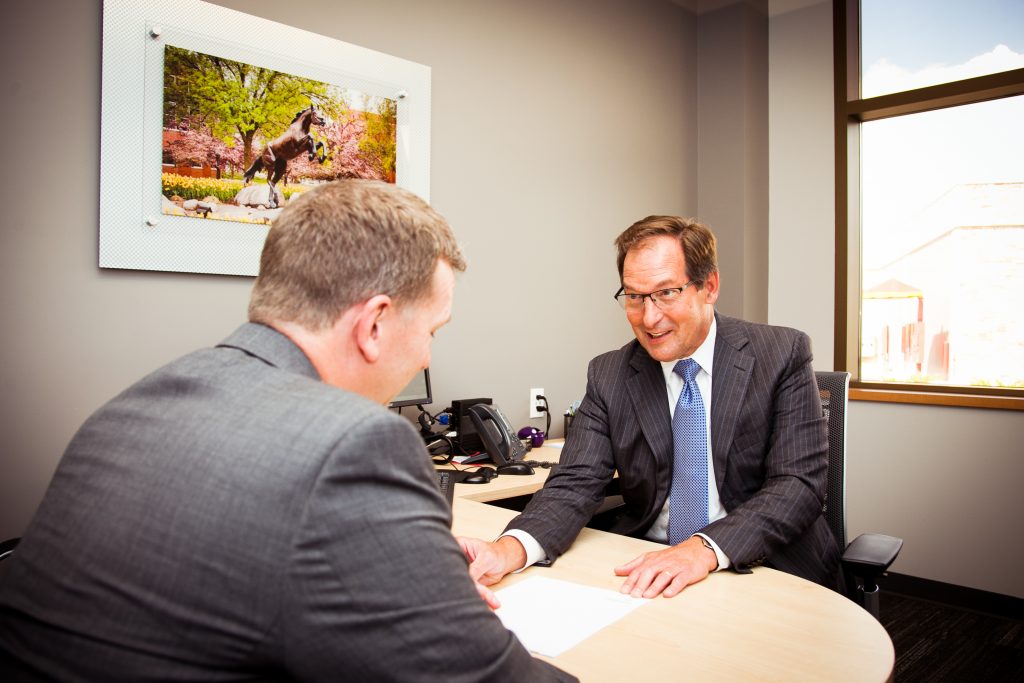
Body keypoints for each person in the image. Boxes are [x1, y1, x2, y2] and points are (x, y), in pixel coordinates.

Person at [0, 180, 574, 682]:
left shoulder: (133, 405)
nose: (426, 356)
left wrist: (414, 582)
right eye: (433, 331)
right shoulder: (358, 444)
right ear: (374, 324)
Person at [460, 215, 840, 600]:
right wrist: (507, 550)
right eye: (634, 296)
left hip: (764, 566)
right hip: (652, 567)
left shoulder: (780, 354)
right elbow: (574, 484)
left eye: (666, 293)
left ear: (709, 287)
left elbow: (798, 485)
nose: (649, 318)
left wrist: (703, 549)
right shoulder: (610, 373)